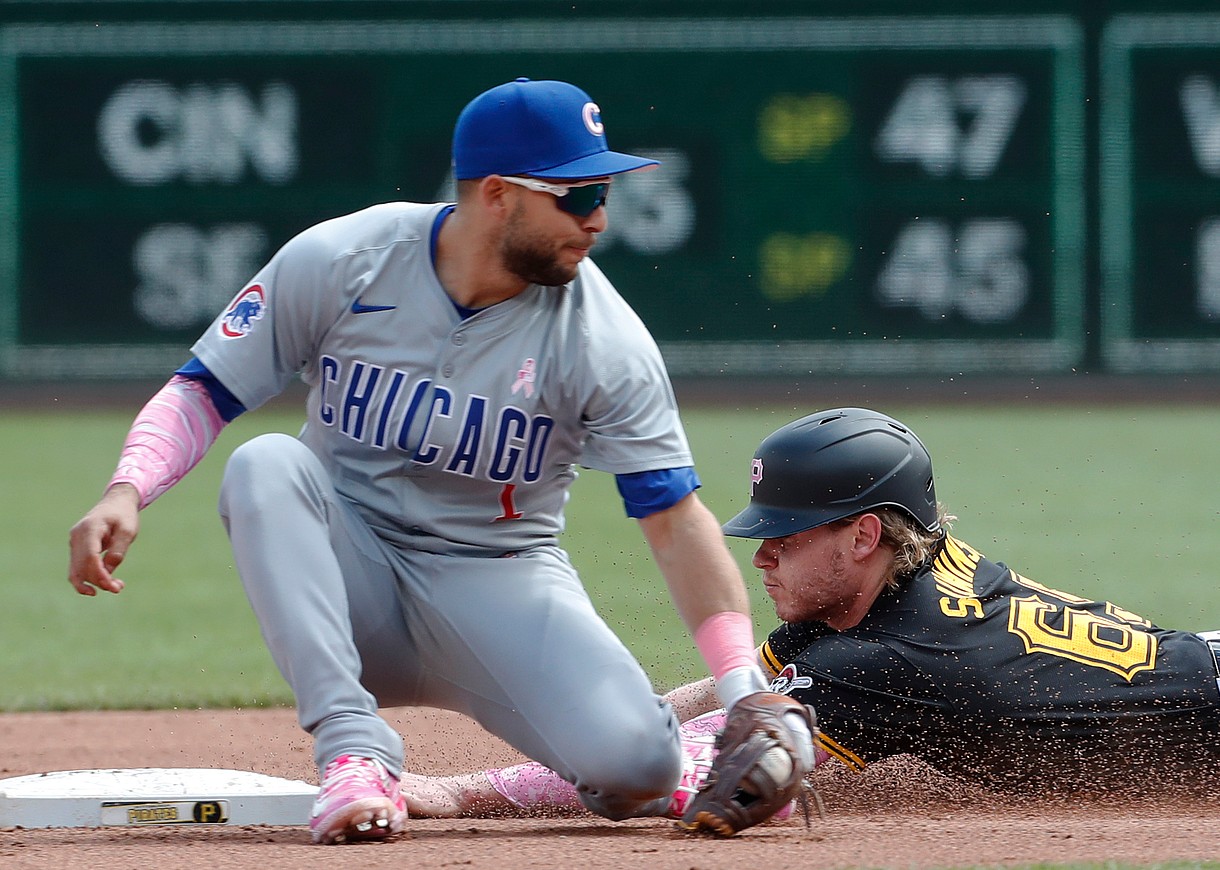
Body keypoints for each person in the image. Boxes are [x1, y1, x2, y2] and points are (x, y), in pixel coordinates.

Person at [66, 78, 809, 845]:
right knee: (266, 465)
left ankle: (685, 759)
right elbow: (203, 391)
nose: (599, 218)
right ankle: (351, 753)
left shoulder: (603, 339)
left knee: (635, 770)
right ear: (496, 194)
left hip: (500, 577)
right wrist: (129, 489)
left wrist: (743, 688)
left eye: (605, 191)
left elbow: (673, 519)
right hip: (347, 574)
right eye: (578, 192)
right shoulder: (345, 260)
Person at [396, 406, 1220, 819]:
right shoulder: (902, 581)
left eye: (786, 536)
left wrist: (452, 794)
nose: (761, 556)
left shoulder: (891, 660)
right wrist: (644, 709)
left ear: (864, 535)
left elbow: (669, 768)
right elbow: (745, 686)